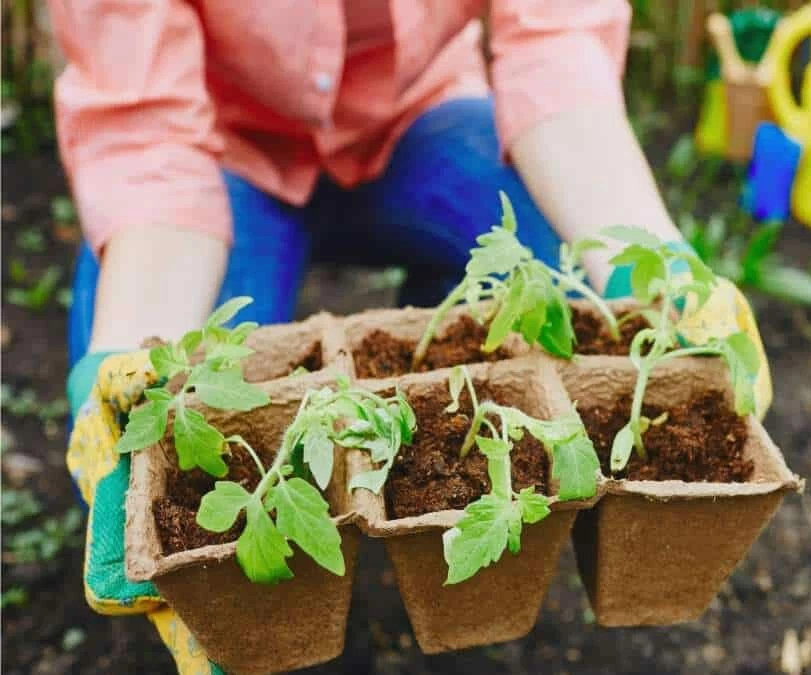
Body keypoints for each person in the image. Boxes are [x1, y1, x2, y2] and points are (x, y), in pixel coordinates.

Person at [53, 2, 773, 672]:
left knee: (544, 293)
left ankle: (437, 523)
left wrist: (659, 270)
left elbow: (558, 39)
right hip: (220, 144)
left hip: (420, 112)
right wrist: (125, 351)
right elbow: (145, 125)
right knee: (182, 412)